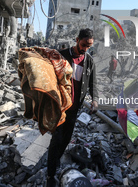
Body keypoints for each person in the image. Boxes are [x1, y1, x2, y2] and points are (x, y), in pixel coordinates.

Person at [46, 28, 99, 187]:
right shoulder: (62, 55)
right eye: (84, 45)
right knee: (56, 139)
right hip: (60, 108)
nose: (85, 49)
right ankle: (50, 175)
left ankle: (55, 164)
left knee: (66, 139)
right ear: (77, 40)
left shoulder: (89, 61)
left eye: (89, 46)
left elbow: (92, 84)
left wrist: (95, 100)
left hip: (74, 109)